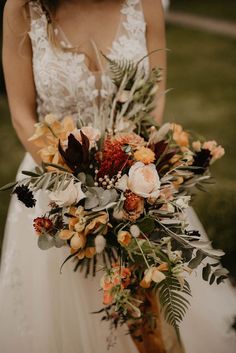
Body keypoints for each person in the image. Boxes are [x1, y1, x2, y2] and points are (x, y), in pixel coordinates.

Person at [0, 1, 235, 352]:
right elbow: (21, 113)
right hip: (56, 193)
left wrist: (132, 179)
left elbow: (153, 102)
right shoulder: (22, 9)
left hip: (138, 185)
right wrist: (74, 186)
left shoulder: (145, 4)